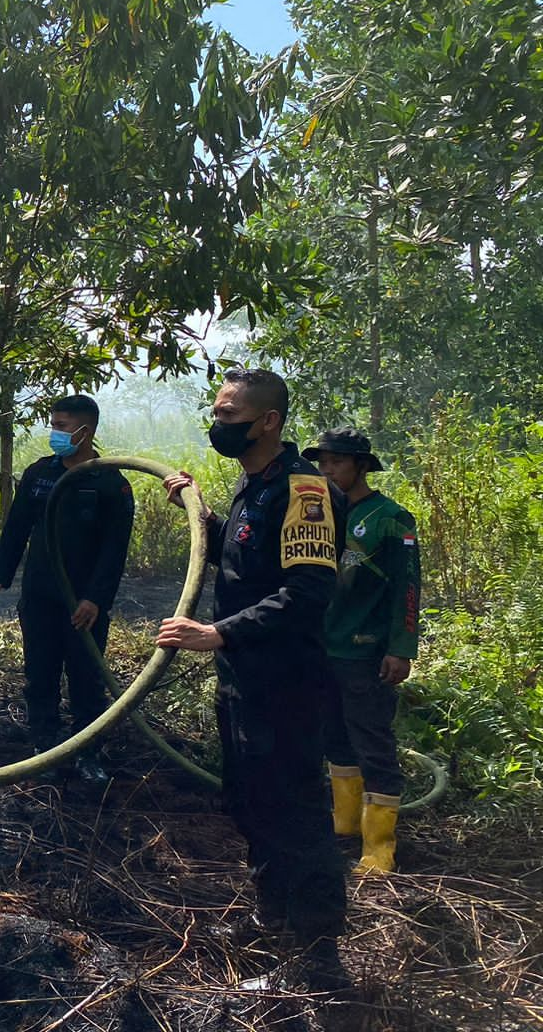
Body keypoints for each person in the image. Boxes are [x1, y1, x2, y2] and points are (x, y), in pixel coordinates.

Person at [157, 368, 349, 993]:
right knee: (249, 801)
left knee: (295, 809)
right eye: (216, 413)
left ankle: (318, 952)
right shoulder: (255, 487)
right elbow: (245, 559)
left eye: (230, 416)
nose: (219, 425)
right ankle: (272, 921)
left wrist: (219, 633)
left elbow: (307, 591)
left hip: (286, 683)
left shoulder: (304, 490)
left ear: (268, 421)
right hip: (244, 679)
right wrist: (204, 518)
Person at [0, 394, 134, 782]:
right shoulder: (38, 474)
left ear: (86, 431)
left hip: (83, 603)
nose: (55, 433)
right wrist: (1, 574)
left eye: (62, 426)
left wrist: (95, 599)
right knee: (40, 670)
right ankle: (43, 746)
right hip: (40, 595)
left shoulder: (110, 484)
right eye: (54, 425)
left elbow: (115, 550)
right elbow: (17, 528)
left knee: (86, 675)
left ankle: (87, 752)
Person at [304, 426, 420, 875]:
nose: (327, 470)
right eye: (322, 462)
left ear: (361, 466)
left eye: (336, 462)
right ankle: (345, 824)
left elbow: (407, 589)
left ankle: (379, 846)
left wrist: (400, 648)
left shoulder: (391, 518)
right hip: (321, 648)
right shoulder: (317, 513)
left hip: (365, 652)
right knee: (333, 736)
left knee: (373, 743)